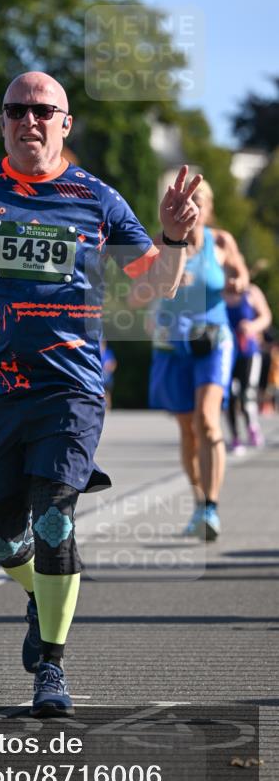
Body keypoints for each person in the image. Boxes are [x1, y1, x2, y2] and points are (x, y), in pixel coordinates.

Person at [0, 71, 201, 717]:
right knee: (4, 540)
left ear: (65, 124)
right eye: (16, 110)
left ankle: (50, 665)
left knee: (53, 519)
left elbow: (154, 284)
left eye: (43, 110)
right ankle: (40, 592)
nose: (28, 120)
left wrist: (174, 239)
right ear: (5, 121)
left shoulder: (96, 199)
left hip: (69, 387)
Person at [142, 180, 248, 542]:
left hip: (214, 340)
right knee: (188, 429)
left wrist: (237, 284)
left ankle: (212, 508)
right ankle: (199, 501)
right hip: (174, 343)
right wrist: (163, 283)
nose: (191, 205)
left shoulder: (221, 242)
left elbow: (241, 274)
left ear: (209, 208)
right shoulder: (161, 242)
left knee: (207, 419)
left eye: (198, 199)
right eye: (185, 199)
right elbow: (136, 292)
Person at [225, 282, 272, 452]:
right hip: (225, 353)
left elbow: (266, 316)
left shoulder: (251, 291)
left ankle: (252, 427)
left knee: (246, 393)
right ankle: (235, 437)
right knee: (229, 394)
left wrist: (252, 326)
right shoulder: (217, 292)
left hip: (248, 352)